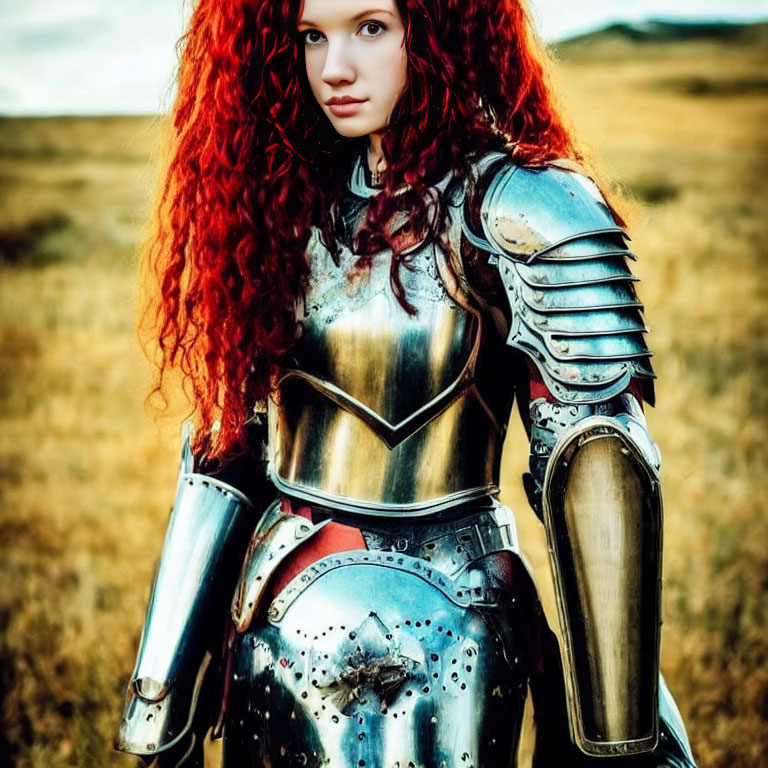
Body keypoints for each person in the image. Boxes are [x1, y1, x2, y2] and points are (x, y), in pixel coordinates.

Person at [116, 0, 697, 766]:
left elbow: (594, 458)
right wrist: (161, 697)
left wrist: (622, 731)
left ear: (445, 27)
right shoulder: (277, 198)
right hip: (275, 613)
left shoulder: (528, 208)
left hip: (448, 624)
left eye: (371, 27)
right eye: (310, 37)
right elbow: (226, 448)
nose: (335, 69)